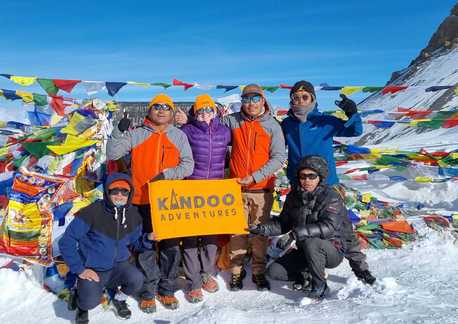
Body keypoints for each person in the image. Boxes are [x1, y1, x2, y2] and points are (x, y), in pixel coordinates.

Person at [175, 84, 287, 291]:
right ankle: (236, 271)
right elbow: (208, 125)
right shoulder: (233, 121)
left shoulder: (272, 125)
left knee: (259, 233)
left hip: (261, 188)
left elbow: (279, 157)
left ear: (263, 101)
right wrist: (189, 121)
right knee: (236, 232)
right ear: (242, 102)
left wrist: (254, 177)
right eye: (246, 99)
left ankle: (258, 270)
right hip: (234, 189)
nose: (251, 104)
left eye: (255, 99)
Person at [281, 80, 376, 285]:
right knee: (303, 226)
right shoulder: (286, 124)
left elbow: (354, 131)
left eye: (304, 97)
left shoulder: (326, 121)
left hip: (327, 184)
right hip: (300, 184)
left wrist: (352, 113)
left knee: (342, 228)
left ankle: (360, 268)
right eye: (295, 97)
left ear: (313, 99)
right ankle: (309, 269)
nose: (300, 100)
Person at [106, 93, 194, 312]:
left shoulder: (178, 136)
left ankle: (167, 289)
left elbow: (188, 165)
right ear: (150, 111)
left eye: (166, 107)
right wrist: (118, 131)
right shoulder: (137, 134)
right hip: (140, 200)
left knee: (170, 247)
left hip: (169, 201)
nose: (161, 110)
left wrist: (167, 174)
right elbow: (113, 152)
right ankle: (147, 291)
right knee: (144, 248)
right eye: (156, 107)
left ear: (172, 112)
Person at [59, 173, 153, 324]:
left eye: (124, 191)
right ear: (107, 192)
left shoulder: (133, 215)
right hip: (94, 268)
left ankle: (118, 299)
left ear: (130, 193)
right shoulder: (91, 212)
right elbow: (66, 241)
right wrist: (80, 269)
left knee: (136, 279)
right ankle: (81, 303)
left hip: (118, 266)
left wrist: (148, 239)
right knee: (90, 302)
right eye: (114, 191)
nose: (119, 195)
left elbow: (136, 243)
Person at [248, 156, 345, 299]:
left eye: (312, 176)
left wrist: (298, 232)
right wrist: (261, 229)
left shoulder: (331, 197)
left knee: (311, 242)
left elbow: (329, 226)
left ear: (320, 177)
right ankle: (307, 273)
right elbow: (283, 223)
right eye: (303, 176)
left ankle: (320, 285)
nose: (307, 181)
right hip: (305, 250)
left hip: (331, 249)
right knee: (274, 272)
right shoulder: (294, 196)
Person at [180, 94, 231, 303]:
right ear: (195, 113)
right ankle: (193, 281)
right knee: (191, 237)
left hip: (214, 191)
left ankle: (207, 273)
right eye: (200, 111)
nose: (204, 114)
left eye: (208, 109)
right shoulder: (187, 131)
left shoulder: (225, 132)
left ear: (215, 111)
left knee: (211, 237)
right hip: (192, 188)